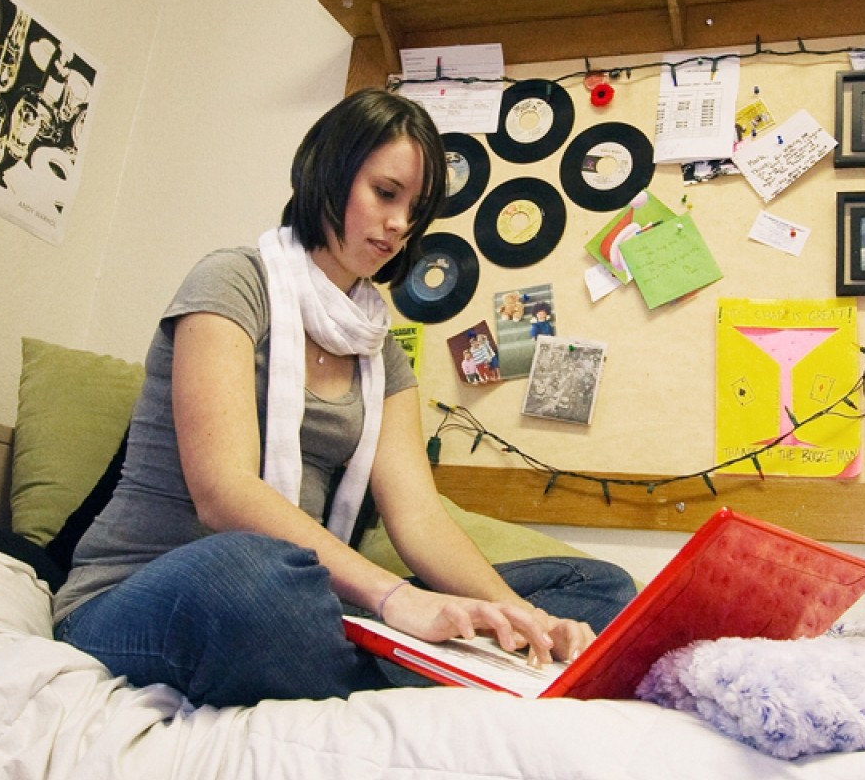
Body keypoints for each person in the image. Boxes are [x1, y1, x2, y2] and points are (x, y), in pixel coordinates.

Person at [53, 88, 636, 707]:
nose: (400, 224)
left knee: (599, 587)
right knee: (256, 574)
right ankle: (399, 677)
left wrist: (522, 621)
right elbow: (222, 494)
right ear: (327, 173)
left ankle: (383, 666)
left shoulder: (378, 348)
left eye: (415, 209)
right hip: (150, 593)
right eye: (386, 194)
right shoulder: (233, 282)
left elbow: (419, 519)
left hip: (308, 601)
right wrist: (394, 598)